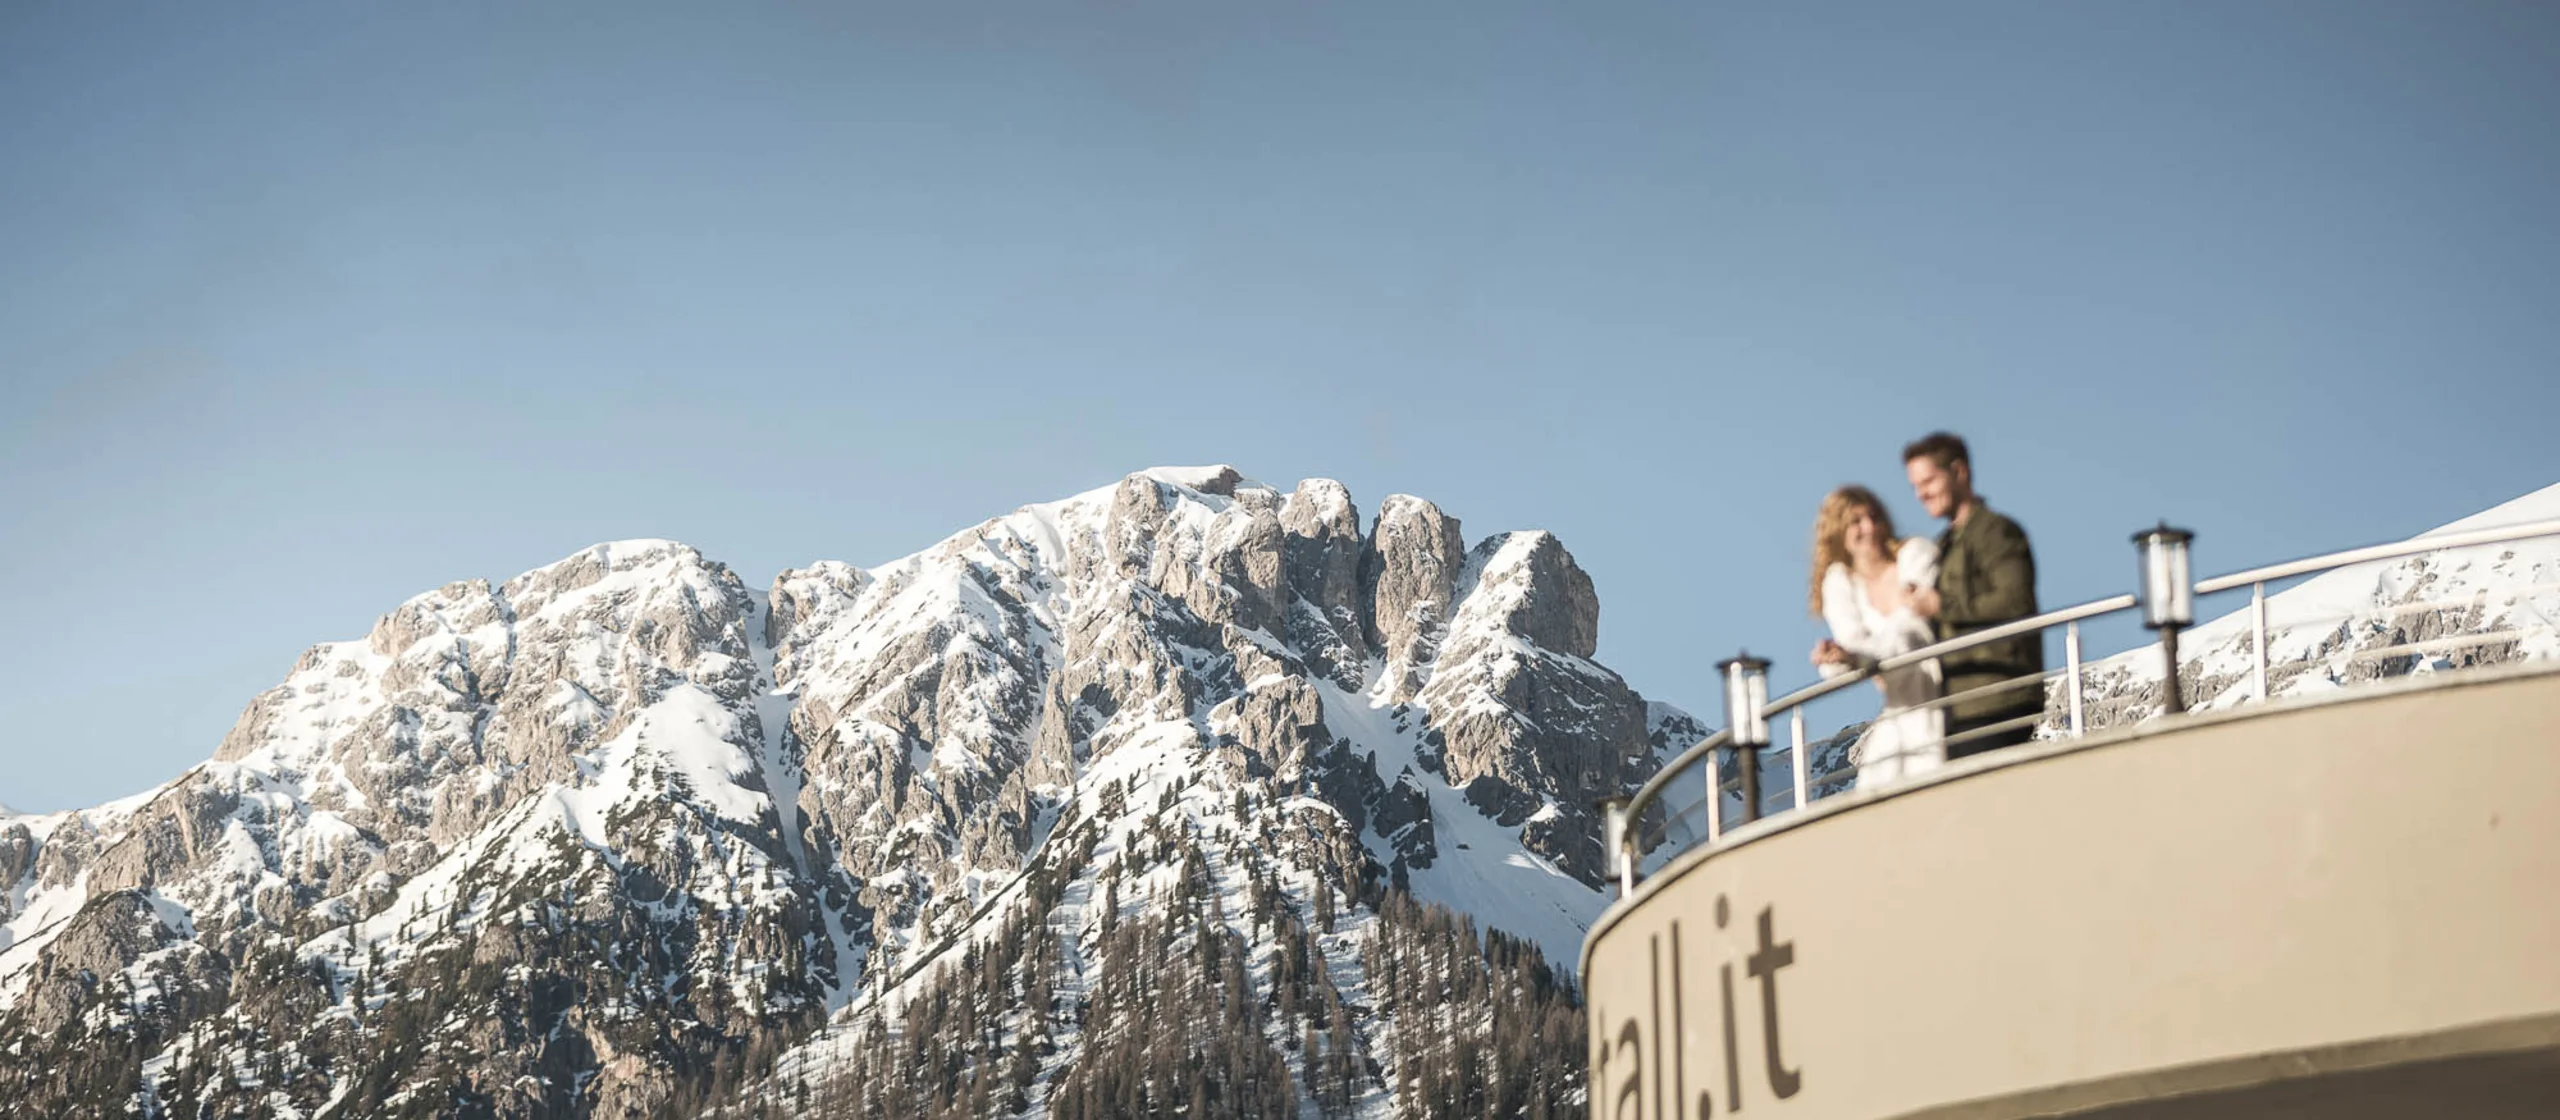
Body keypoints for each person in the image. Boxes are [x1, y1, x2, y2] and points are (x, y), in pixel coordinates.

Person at [1902, 432, 2043, 758]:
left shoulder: (1997, 532)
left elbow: (2015, 601)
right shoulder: (1943, 546)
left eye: (1929, 481)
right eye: (1915, 486)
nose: (1921, 493)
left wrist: (1941, 605)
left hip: (1997, 698)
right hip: (1956, 707)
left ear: (1959, 471)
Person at [1808, 485, 1945, 787]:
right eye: (1856, 521)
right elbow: (1850, 646)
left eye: (1874, 517)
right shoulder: (1841, 583)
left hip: (1944, 695)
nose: (1868, 528)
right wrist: (1835, 658)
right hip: (1899, 707)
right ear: (1839, 532)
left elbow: (1912, 635)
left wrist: (1856, 657)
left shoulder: (1915, 556)